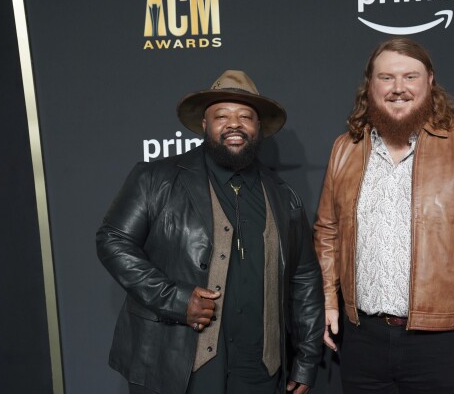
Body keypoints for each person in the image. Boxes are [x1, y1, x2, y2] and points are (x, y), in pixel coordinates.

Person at [313, 38, 454, 393]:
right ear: (369, 86)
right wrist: (327, 301)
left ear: (429, 81)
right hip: (361, 337)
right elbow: (328, 232)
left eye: (409, 76)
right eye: (386, 78)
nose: (398, 88)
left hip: (444, 338)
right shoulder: (347, 147)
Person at [97, 70, 324, 394]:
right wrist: (173, 298)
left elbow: (304, 277)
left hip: (258, 370)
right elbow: (113, 240)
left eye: (245, 116)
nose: (235, 124)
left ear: (259, 128)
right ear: (205, 125)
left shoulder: (283, 195)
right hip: (177, 364)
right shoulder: (156, 178)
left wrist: (306, 358)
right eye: (222, 115)